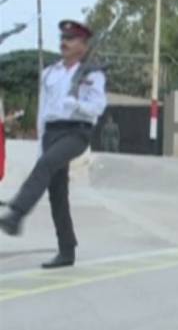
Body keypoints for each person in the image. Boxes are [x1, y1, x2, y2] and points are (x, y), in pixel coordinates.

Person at [0, 20, 108, 268]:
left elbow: (98, 107)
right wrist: (41, 141)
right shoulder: (50, 73)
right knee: (57, 192)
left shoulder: (93, 73)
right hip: (52, 132)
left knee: (48, 164)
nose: (64, 43)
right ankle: (67, 249)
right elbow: (43, 111)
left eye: (70, 39)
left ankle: (16, 214)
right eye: (63, 38)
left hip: (76, 132)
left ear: (83, 45)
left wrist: (78, 106)